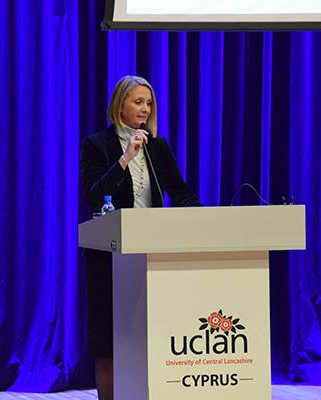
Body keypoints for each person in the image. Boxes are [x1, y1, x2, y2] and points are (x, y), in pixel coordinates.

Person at [80, 75, 201, 400]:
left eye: (149, 103)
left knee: (151, 333)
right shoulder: (97, 145)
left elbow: (180, 191)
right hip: (109, 255)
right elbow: (94, 195)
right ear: (119, 105)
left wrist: (202, 217)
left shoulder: (158, 146)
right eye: (138, 102)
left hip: (152, 252)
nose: (145, 109)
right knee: (109, 339)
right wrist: (126, 158)